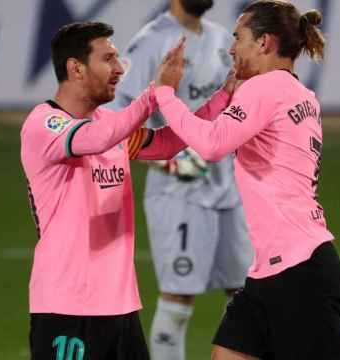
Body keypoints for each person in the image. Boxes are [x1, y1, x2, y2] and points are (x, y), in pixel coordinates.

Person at [153, 1, 340, 359]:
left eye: (239, 37)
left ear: (264, 43)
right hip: (273, 267)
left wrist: (165, 93)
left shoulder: (266, 88)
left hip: (297, 271)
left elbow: (213, 144)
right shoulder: (299, 94)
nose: (232, 48)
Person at [20, 22, 215, 360]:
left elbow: (167, 143)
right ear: (75, 68)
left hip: (121, 308)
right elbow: (95, 140)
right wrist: (155, 93)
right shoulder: (45, 123)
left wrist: (225, 97)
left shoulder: (109, 123)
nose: (119, 68)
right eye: (108, 58)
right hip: (68, 308)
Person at [109, 2, 252, 358]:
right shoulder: (150, 43)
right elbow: (113, 118)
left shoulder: (223, 38)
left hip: (230, 189)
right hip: (178, 193)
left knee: (247, 294)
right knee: (178, 297)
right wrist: (163, 163)